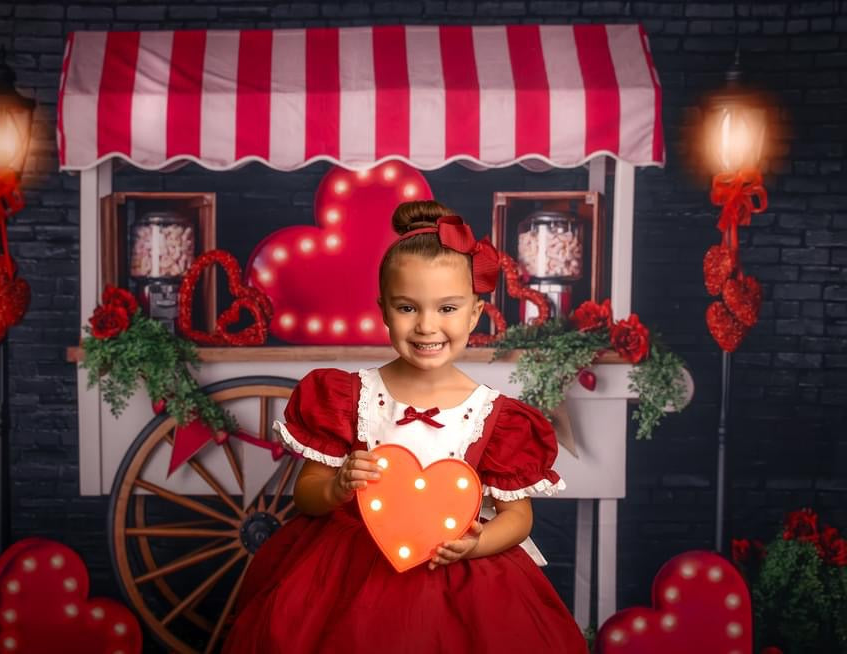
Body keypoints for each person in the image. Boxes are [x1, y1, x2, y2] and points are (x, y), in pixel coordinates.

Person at [222, 201, 588, 653]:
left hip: (458, 577)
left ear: (475, 315)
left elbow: (518, 517)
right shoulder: (348, 396)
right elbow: (307, 495)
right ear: (384, 311)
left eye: (448, 308)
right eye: (408, 308)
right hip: (351, 567)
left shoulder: (497, 417)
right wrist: (337, 486)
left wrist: (478, 544)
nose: (427, 326)